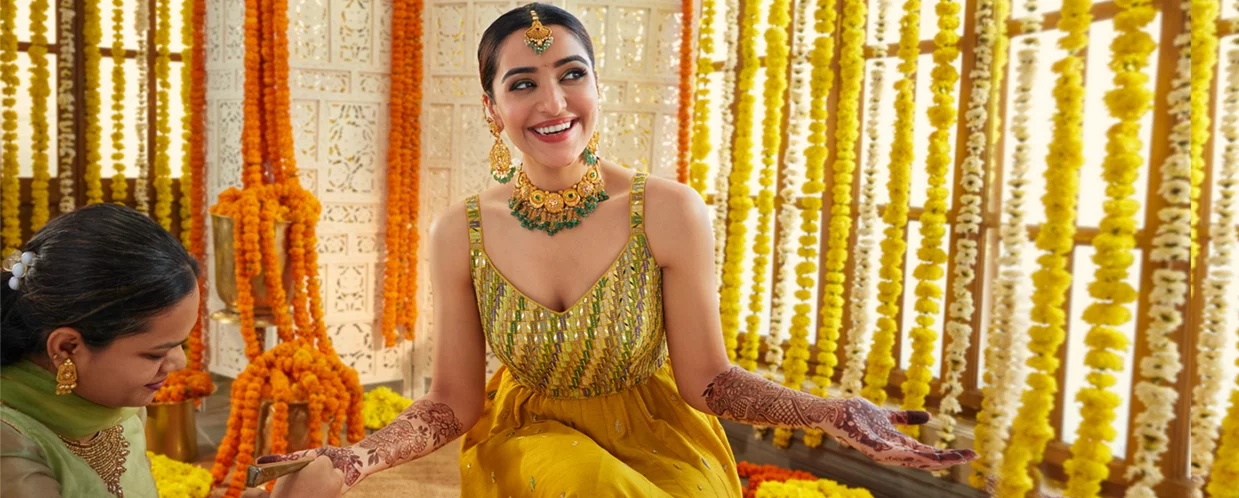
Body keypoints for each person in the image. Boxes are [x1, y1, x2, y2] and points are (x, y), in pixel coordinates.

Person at [256, 3, 976, 496]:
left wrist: (826, 412)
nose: (554, 101)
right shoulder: (462, 231)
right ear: (491, 107)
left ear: (597, 86)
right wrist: (357, 458)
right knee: (579, 479)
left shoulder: (665, 212)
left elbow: (712, 384)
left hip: (662, 442)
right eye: (523, 83)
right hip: (531, 445)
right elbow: (452, 402)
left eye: (571, 74)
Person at [0, 203, 342, 498]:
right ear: (67, 347)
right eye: (155, 354)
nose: (179, 363)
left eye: (180, 344)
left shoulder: (117, 407)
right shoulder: (11, 450)